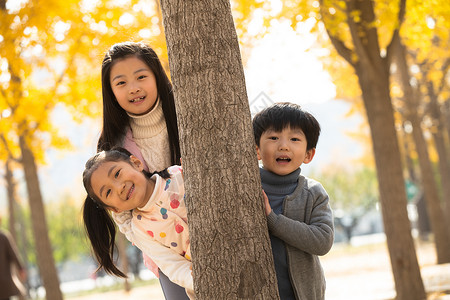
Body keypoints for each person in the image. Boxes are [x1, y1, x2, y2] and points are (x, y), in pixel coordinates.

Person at [96, 41, 189, 299]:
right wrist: (152, 242)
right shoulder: (112, 144)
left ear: (156, 76)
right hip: (165, 248)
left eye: (141, 77)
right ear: (111, 91)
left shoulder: (187, 115)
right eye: (121, 82)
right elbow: (122, 216)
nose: (134, 88)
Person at [82, 148, 194, 299]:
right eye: (108, 192)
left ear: (136, 163)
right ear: (114, 209)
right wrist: (197, 278)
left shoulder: (178, 175)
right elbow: (171, 265)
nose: (119, 187)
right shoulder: (141, 230)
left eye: (117, 174)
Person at [252, 102, 334, 300]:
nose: (283, 145)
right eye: (273, 137)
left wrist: (273, 220)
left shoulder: (312, 192)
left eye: (294, 139)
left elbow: (323, 241)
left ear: (308, 154)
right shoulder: (246, 188)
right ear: (256, 150)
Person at [0, 220, 26, 300]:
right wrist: (21, 269)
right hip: (4, 282)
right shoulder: (3, 237)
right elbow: (13, 254)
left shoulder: (4, 237)